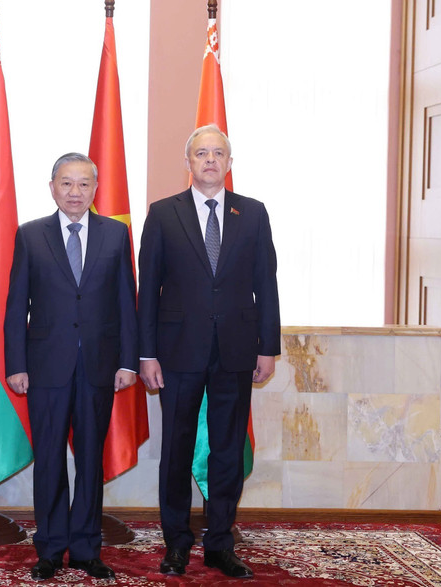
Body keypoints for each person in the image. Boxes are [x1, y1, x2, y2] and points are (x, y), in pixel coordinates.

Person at [138, 125, 280, 579]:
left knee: (226, 451)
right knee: (176, 451)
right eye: (202, 153)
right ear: (189, 162)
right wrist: (147, 354)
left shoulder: (253, 214)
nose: (211, 160)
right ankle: (177, 543)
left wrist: (269, 347)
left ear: (230, 162)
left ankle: (220, 542)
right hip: (177, 352)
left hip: (237, 352)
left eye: (219, 153)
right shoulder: (163, 214)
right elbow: (149, 291)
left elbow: (266, 283)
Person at [4, 152, 138, 581]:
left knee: (89, 463)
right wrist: (16, 364)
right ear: (52, 187)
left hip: (99, 366)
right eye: (66, 183)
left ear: (95, 189)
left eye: (83, 183)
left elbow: (126, 304)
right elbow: (15, 307)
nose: (75, 191)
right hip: (45, 368)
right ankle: (50, 548)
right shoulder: (30, 235)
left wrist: (128, 361)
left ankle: (85, 548)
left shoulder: (116, 235)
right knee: (48, 460)